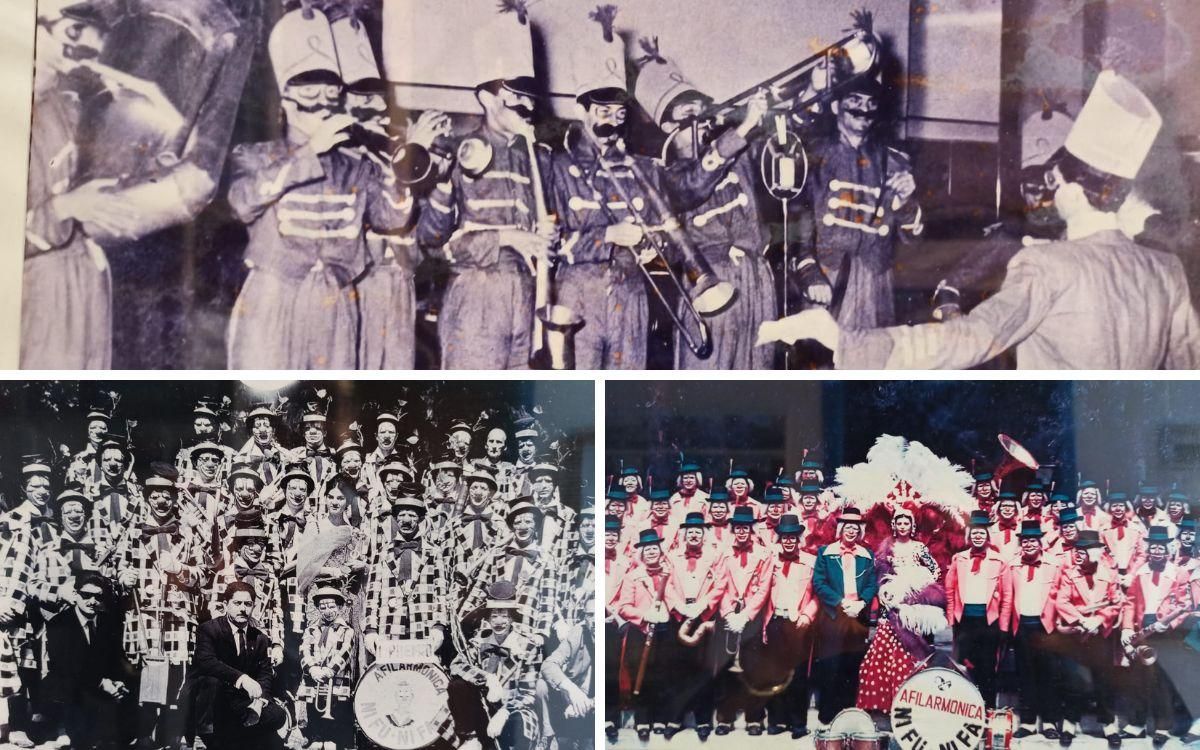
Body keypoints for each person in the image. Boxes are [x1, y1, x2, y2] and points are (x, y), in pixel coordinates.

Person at [762, 69, 1200, 369]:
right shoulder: (1167, 272)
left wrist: (846, 341)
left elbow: (970, 339)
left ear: (1064, 183)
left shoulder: (1052, 266)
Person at [548, 9, 765, 369]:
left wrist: (742, 132)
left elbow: (694, 185)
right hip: (577, 295)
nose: (613, 121)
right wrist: (609, 235)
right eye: (603, 111)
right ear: (583, 110)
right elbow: (552, 243)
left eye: (619, 113)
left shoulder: (644, 168)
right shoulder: (558, 166)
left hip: (632, 295)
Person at [225, 7, 432, 369]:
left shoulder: (355, 166)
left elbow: (392, 217)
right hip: (273, 301)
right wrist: (309, 151)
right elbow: (241, 202)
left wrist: (394, 162)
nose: (322, 103)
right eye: (309, 92)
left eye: (329, 92)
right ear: (286, 102)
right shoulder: (256, 155)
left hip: (335, 304)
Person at [417, 7, 553, 370]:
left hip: (526, 297)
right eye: (515, 96)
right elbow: (433, 243)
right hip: (477, 296)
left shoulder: (538, 158)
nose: (527, 106)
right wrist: (506, 238)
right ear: (487, 97)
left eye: (530, 97)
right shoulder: (458, 153)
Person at [634, 47, 777, 369]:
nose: (704, 119)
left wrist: (815, 87)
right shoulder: (663, 174)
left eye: (703, 110)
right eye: (690, 114)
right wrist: (741, 130)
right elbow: (692, 187)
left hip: (757, 277)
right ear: (670, 127)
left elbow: (783, 141)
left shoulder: (739, 153)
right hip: (711, 281)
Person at [22, 0, 123, 368]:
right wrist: (65, 209)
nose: (86, 46)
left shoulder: (66, 102)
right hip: (37, 295)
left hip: (84, 281)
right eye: (73, 30)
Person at [794, 74, 923, 333]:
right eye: (854, 100)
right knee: (821, 361)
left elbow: (912, 239)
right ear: (835, 107)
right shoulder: (811, 156)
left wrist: (906, 202)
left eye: (870, 103)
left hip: (875, 279)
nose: (863, 110)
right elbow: (796, 222)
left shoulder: (895, 162)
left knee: (872, 363)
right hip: (826, 274)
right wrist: (809, 272)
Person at [112, 472, 210, 750]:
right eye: (155, 496)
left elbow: (204, 576)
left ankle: (171, 736)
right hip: (143, 615)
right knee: (143, 672)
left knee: (176, 677)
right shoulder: (134, 531)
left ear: (175, 499)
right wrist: (123, 576)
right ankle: (143, 734)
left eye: (166, 496)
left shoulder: (189, 533)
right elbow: (119, 566)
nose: (161, 501)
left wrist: (180, 569)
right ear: (147, 499)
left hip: (178, 617)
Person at [856, 505, 945, 714]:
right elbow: (878, 576)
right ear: (894, 526)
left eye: (906, 523)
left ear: (911, 526)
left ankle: (910, 702)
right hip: (890, 604)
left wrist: (917, 587)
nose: (902, 526)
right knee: (886, 648)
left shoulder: (919, 548)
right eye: (899, 523)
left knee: (912, 649)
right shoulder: (887, 547)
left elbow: (935, 570)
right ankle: (884, 702)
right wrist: (887, 593)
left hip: (912, 604)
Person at [189, 582, 287, 750]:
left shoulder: (260, 638)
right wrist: (241, 678)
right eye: (237, 603)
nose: (243, 609)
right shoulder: (209, 629)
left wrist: (259, 703)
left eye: (248, 604)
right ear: (226, 605)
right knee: (211, 682)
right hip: (211, 698)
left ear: (253, 607)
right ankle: (205, 737)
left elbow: (264, 673)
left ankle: (236, 736)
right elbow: (206, 662)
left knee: (277, 715)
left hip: (239, 701)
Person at [42, 572, 132, 750]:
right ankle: (65, 731)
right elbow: (65, 665)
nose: (92, 601)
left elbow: (116, 658)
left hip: (100, 686)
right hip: (72, 686)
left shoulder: (109, 622)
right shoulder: (58, 623)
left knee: (130, 692)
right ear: (75, 595)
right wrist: (101, 682)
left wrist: (118, 680)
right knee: (65, 686)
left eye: (98, 596)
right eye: (86, 595)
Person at [449, 581, 540, 750]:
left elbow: (528, 694)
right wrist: (487, 678)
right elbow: (456, 664)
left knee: (520, 723)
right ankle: (471, 738)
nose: (499, 622)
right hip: (484, 710)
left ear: (512, 618)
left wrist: (504, 713)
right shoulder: (479, 642)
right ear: (487, 619)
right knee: (457, 685)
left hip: (513, 711)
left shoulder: (527, 646)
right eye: (494, 616)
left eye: (504, 616)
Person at [661, 512, 725, 740]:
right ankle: (675, 718)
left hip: (703, 617)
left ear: (704, 535)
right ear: (684, 534)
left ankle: (703, 720)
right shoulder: (671, 557)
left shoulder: (714, 556)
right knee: (677, 671)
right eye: (691, 531)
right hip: (678, 617)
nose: (694, 535)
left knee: (704, 671)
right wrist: (679, 606)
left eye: (698, 531)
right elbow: (664, 584)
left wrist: (702, 606)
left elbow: (721, 584)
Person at [1055, 530, 1122, 747]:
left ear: (1094, 552)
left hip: (1101, 636)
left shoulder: (1108, 574)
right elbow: (1061, 602)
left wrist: (1100, 620)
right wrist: (1082, 621)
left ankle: (1108, 724)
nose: (1078, 554)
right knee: (1074, 680)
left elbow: (1116, 603)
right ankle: (1069, 723)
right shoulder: (1069, 573)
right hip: (1077, 636)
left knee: (1104, 680)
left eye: (1083, 550)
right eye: (1076, 550)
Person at [811, 507, 877, 725]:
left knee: (852, 664)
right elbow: (819, 583)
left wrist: (861, 603)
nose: (851, 531)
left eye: (855, 528)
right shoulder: (825, 552)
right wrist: (841, 603)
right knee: (831, 665)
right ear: (840, 529)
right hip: (834, 616)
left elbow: (871, 584)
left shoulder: (867, 555)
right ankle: (828, 714)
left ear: (859, 531)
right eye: (847, 527)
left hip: (857, 616)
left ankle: (848, 711)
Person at [1002, 520, 1064, 739]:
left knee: (1048, 674)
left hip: (1046, 627)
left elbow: (1060, 596)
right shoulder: (1012, 565)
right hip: (1022, 627)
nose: (1028, 544)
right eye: (1025, 540)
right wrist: (1005, 627)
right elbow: (1008, 598)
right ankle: (1028, 722)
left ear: (1040, 543)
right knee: (1025, 675)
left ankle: (1048, 722)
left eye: (1032, 540)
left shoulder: (1054, 565)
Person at [761, 514, 818, 739]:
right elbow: (763, 592)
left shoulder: (810, 562)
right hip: (776, 621)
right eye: (785, 537)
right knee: (775, 674)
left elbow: (816, 596)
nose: (788, 542)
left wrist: (807, 615)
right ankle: (776, 720)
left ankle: (798, 724)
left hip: (798, 623)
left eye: (793, 537)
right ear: (779, 539)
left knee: (798, 675)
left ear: (798, 539)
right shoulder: (771, 561)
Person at [945, 510, 1008, 708]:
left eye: (982, 533)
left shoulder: (998, 560)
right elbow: (950, 589)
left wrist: (1004, 626)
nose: (978, 536)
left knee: (987, 667)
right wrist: (950, 619)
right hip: (964, 621)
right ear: (969, 535)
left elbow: (1006, 597)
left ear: (988, 536)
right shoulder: (959, 559)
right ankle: (964, 709)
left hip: (988, 622)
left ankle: (987, 709)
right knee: (963, 665)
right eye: (974, 533)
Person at [298, 586, 355, 750]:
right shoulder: (311, 628)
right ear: (317, 608)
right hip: (315, 676)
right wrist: (312, 668)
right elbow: (304, 650)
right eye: (323, 607)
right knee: (313, 706)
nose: (327, 611)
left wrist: (330, 669)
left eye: (331, 606)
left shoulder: (347, 630)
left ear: (339, 607)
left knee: (337, 707)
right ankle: (316, 736)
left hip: (336, 678)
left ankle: (333, 738)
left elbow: (346, 652)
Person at [540, 620, 594, 750]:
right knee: (540, 685)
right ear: (585, 617)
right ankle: (548, 735)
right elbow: (548, 665)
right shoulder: (579, 632)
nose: (595, 620)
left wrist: (587, 704)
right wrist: (572, 691)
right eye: (590, 614)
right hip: (575, 694)